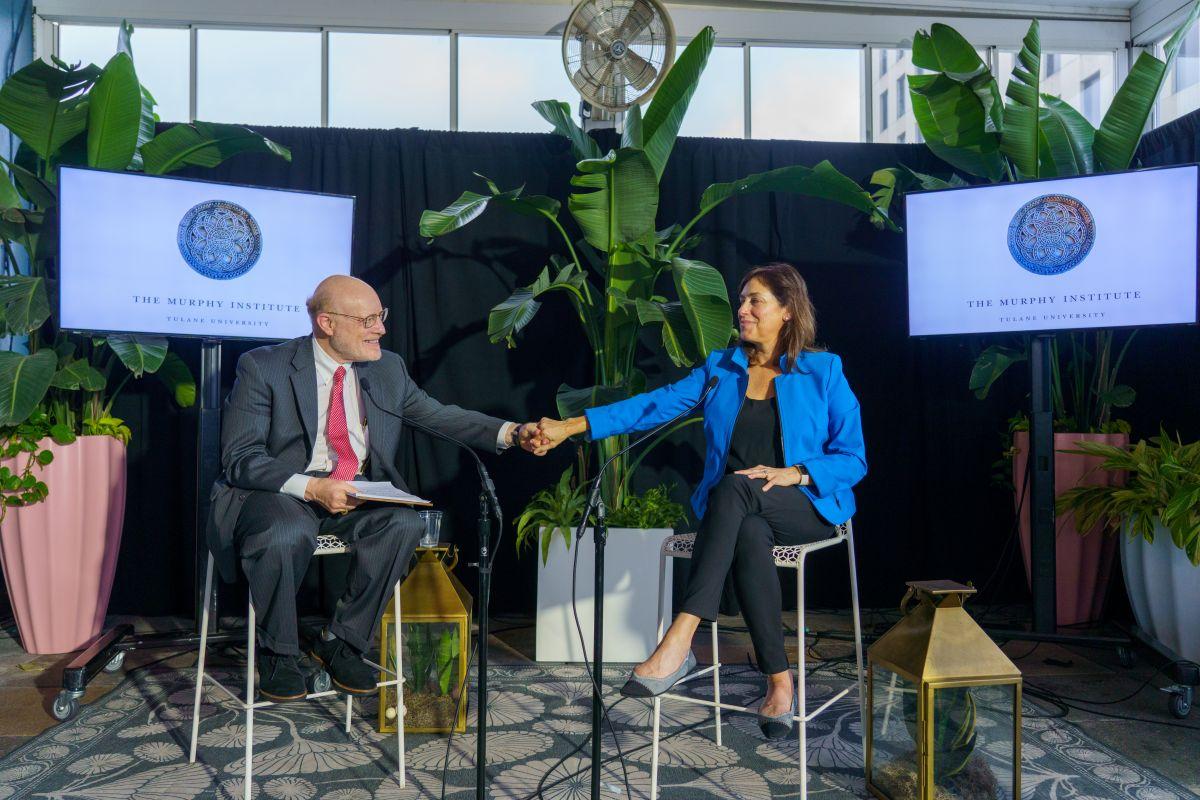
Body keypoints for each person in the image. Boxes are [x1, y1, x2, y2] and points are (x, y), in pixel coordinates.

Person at [536, 262, 866, 739]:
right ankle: (779, 684)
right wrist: (570, 427)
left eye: (756, 300)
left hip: (806, 505)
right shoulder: (720, 370)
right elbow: (649, 406)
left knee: (733, 487)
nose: (743, 309)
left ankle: (680, 638)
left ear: (788, 311)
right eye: (742, 299)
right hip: (742, 515)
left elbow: (854, 458)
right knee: (746, 523)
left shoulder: (823, 371)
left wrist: (796, 473)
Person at [207, 274, 545, 701]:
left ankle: (343, 641)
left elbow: (438, 415)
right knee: (286, 533)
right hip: (280, 492)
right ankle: (278, 651)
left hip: (353, 490)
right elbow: (242, 458)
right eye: (368, 320)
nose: (381, 329)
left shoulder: (386, 368)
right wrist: (312, 488)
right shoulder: (265, 366)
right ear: (327, 323)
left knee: (403, 525)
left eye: (380, 317)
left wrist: (514, 432)